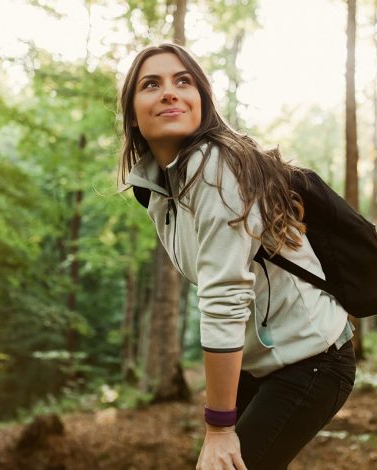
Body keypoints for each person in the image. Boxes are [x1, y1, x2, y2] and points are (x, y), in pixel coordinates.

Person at [118, 43, 356, 470]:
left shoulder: (214, 169)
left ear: (202, 102)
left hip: (313, 358)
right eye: (150, 84)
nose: (169, 92)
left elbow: (224, 297)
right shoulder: (157, 190)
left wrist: (220, 426)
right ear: (133, 113)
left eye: (183, 81)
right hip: (264, 359)